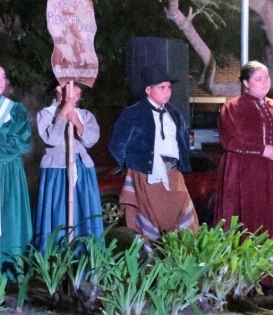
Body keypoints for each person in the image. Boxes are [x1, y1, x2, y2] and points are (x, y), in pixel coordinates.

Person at [109, 65, 199, 243]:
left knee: (184, 212)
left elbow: (182, 141)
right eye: (162, 87)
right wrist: (135, 166)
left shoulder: (174, 113)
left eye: (169, 87)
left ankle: (182, 255)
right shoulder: (133, 113)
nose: (167, 92)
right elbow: (117, 145)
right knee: (148, 217)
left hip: (173, 174)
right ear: (148, 90)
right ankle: (150, 255)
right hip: (146, 174)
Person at [33, 82, 103, 252]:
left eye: (78, 94)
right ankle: (56, 254)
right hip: (57, 170)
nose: (75, 97)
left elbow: (91, 140)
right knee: (58, 210)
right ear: (59, 90)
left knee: (82, 210)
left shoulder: (85, 115)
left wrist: (77, 122)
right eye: (71, 92)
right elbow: (52, 139)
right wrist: (63, 114)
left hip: (82, 170)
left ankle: (85, 255)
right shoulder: (46, 114)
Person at [0, 62, 32, 279]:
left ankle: (9, 272)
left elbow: (22, 142)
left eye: (3, 77)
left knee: (9, 219)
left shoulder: (15, 109)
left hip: (8, 171)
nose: (0, 82)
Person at [215, 61, 273, 234]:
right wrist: (263, 150)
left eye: (267, 78)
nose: (265, 82)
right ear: (246, 83)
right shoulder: (233, 107)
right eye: (258, 79)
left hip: (270, 169)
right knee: (247, 216)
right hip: (244, 170)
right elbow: (230, 141)